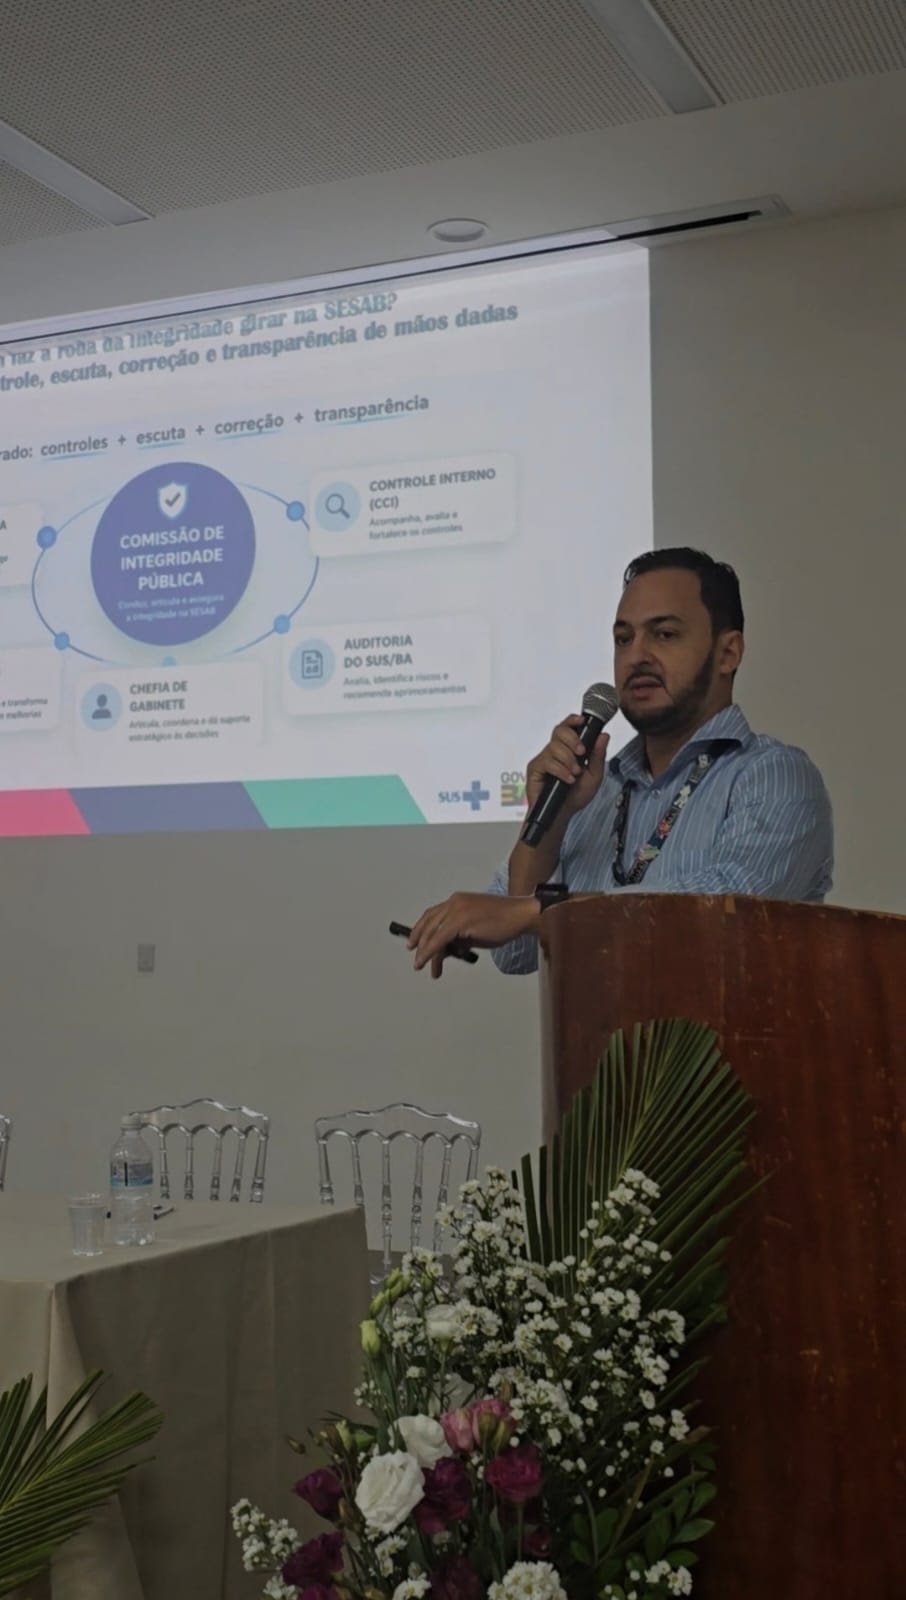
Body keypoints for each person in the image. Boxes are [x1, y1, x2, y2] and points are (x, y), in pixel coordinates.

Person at [408, 547, 833, 977]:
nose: (636, 656)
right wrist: (551, 823)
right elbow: (516, 951)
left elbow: (723, 910)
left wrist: (536, 911)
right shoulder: (594, 791)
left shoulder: (773, 776)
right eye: (623, 639)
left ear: (728, 653)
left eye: (664, 634)